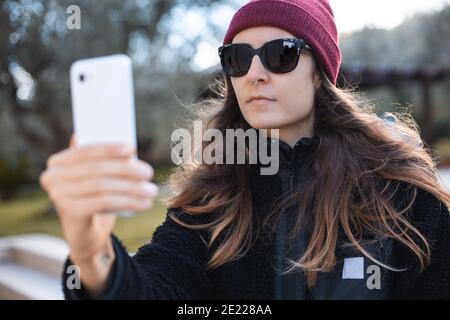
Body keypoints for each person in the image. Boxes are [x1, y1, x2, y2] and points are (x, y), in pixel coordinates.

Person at [40, 0, 450, 299]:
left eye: (280, 55)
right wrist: (91, 253)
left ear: (319, 73)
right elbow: (155, 288)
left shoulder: (397, 187)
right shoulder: (210, 198)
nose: (254, 74)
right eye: (236, 59)